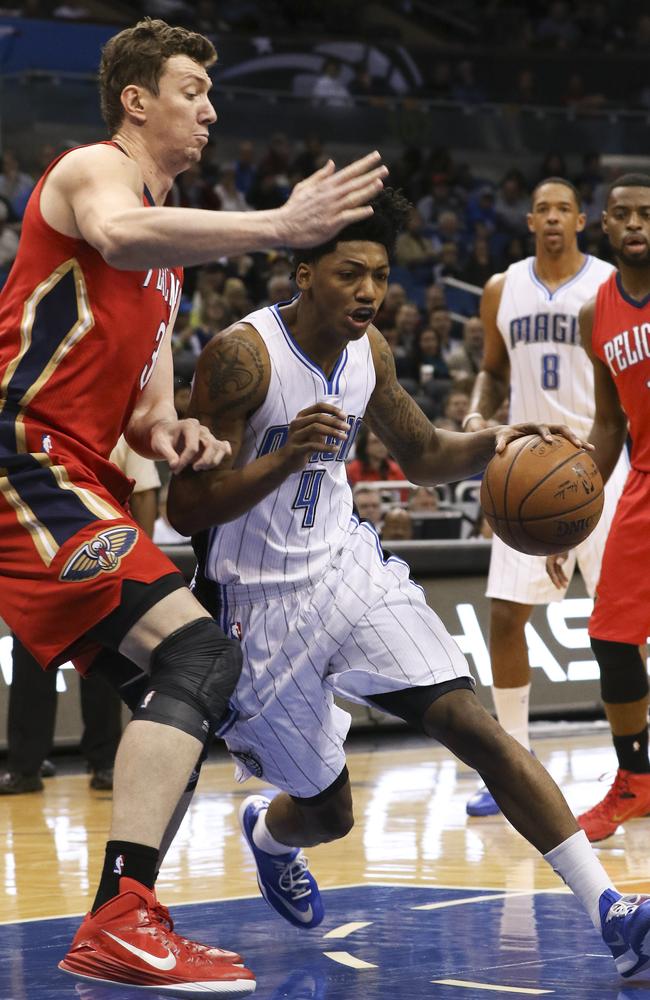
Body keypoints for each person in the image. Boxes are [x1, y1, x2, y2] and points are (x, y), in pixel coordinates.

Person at [168, 187, 650, 982]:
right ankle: (268, 835)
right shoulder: (242, 357)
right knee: (327, 812)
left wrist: (502, 439)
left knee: (472, 722)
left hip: (346, 567)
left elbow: (423, 453)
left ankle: (613, 914)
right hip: (255, 604)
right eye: (349, 273)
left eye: (381, 276)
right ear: (303, 271)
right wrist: (284, 456)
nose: (367, 292)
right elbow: (188, 510)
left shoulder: (370, 352)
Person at [0, 17, 387, 994]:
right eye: (189, 90)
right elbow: (118, 232)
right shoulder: (93, 173)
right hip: (20, 457)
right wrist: (278, 227)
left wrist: (174, 434)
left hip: (76, 467)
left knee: (169, 695)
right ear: (137, 101)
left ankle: (124, 915)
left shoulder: (169, 264)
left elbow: (147, 408)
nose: (209, 108)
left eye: (210, 94)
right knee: (199, 652)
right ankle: (120, 920)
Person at [462, 177, 626, 819]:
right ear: (529, 221)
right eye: (543, 210)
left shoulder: (610, 286)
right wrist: (478, 414)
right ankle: (513, 769)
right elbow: (492, 369)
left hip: (603, 465)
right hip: (528, 471)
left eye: (564, 209)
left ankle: (633, 766)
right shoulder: (502, 288)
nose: (553, 218)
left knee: (625, 626)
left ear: (582, 220)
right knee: (505, 615)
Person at [547, 174, 650, 842]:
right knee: (611, 634)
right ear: (604, 227)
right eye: (623, 215)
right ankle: (634, 781)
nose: (636, 223)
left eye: (647, 213)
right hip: (643, 477)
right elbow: (609, 423)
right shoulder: (597, 313)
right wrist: (576, 511)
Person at [0, 437, 160, 795]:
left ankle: (104, 762)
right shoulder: (23, 422)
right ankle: (25, 766)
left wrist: (138, 554)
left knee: (102, 664)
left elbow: (147, 491)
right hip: (39, 556)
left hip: (102, 558)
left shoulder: (119, 427)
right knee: (30, 665)